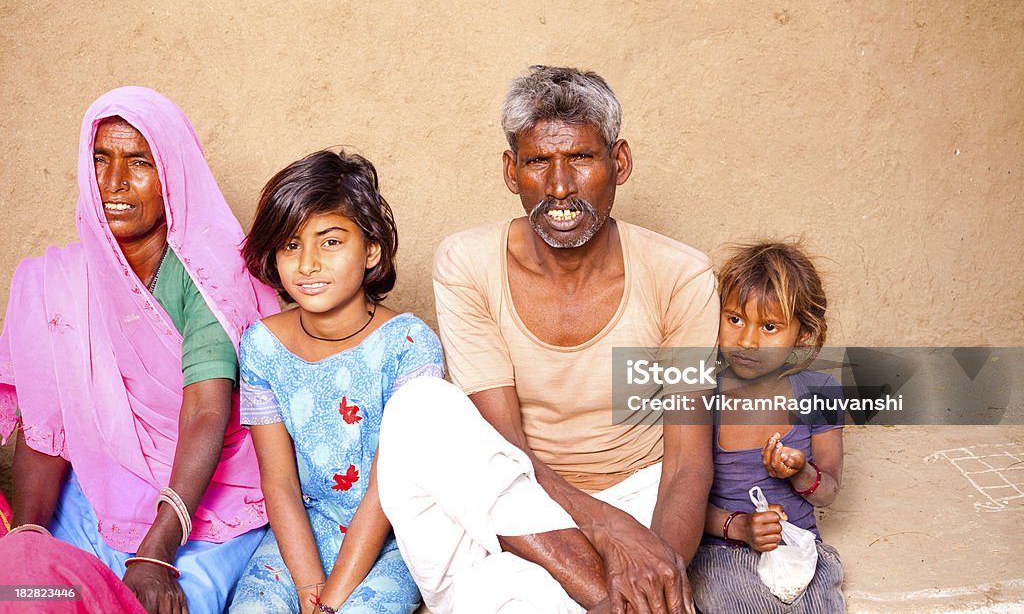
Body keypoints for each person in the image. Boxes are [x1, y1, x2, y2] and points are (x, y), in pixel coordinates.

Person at [376, 65, 719, 613]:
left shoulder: (679, 276)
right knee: (419, 406)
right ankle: (607, 602)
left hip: (635, 501)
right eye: (539, 161)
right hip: (513, 505)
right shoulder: (468, 264)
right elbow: (503, 441)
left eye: (581, 158)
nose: (560, 187)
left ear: (619, 163)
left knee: (509, 598)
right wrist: (603, 530)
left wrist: (657, 569)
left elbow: (685, 463)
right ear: (512, 171)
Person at [0, 87, 279, 613]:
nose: (114, 184)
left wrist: (158, 551)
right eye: (100, 160)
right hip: (93, 497)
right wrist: (31, 534)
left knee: (155, 606)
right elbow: (45, 427)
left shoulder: (210, 277)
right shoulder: (55, 281)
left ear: (172, 173)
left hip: (201, 509)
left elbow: (205, 409)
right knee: (26, 592)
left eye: (139, 163)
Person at [228, 150, 442, 614]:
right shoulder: (262, 346)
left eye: (329, 242)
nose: (307, 264)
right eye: (290, 245)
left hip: (393, 538)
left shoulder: (409, 345)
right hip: (303, 533)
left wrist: (332, 601)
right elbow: (279, 480)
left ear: (371, 250)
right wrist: (308, 588)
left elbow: (388, 489)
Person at [689, 242, 845, 612]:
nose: (746, 341)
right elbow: (677, 497)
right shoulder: (700, 393)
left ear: (803, 335)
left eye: (770, 326)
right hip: (722, 551)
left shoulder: (820, 392)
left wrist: (802, 472)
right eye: (735, 319)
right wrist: (741, 527)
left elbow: (829, 492)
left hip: (799, 546)